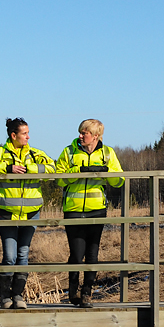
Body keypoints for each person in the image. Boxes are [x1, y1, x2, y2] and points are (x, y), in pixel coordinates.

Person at [0, 120, 55, 308]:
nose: (28, 137)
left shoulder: (36, 154)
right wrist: (6, 168)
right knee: (10, 256)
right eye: (25, 133)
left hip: (31, 212)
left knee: (23, 254)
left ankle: (18, 297)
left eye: (28, 133)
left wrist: (32, 169)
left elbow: (53, 169)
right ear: (13, 135)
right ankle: (5, 297)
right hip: (7, 212)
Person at [55, 120, 124, 307]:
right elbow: (59, 179)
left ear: (95, 136)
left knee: (92, 253)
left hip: (97, 209)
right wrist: (79, 171)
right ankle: (73, 290)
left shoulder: (107, 153)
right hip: (74, 209)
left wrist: (106, 171)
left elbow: (119, 181)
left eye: (84, 133)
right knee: (77, 254)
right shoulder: (69, 152)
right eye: (80, 132)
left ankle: (87, 293)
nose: (80, 136)